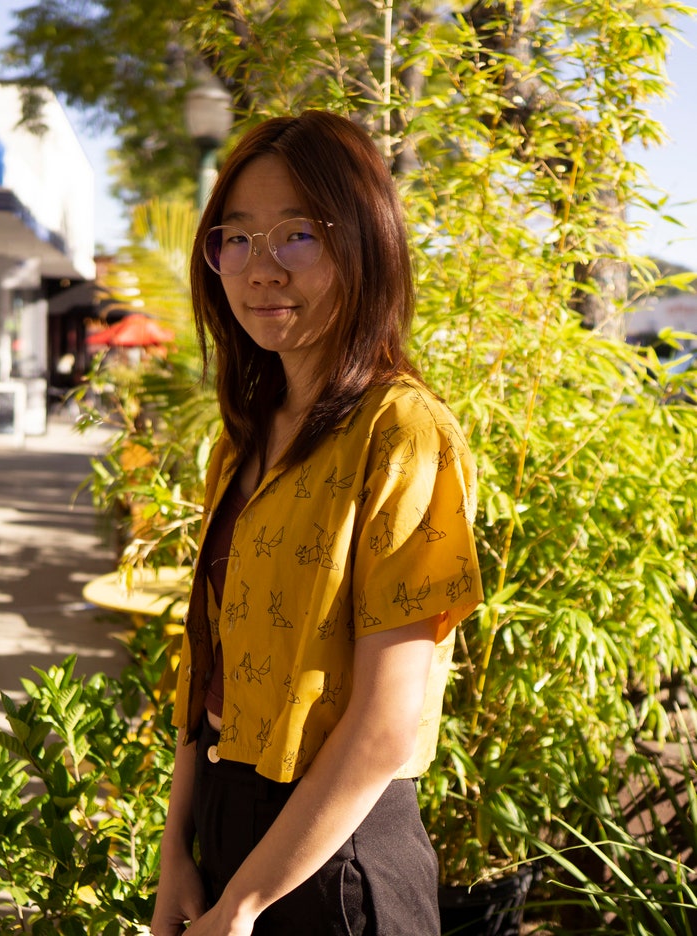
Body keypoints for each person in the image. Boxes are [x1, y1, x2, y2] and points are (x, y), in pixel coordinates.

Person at [152, 110, 483, 936]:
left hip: (340, 860)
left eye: (298, 234)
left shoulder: (402, 432)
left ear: (365, 244)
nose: (261, 270)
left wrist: (246, 904)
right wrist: (175, 861)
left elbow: (384, 725)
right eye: (237, 238)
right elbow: (208, 671)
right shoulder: (243, 443)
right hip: (225, 825)